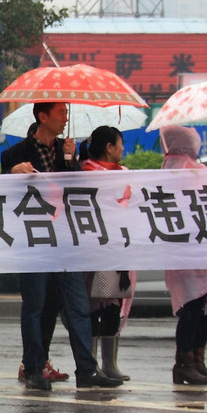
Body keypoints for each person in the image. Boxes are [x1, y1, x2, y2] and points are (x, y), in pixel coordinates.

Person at [1, 102, 104, 391]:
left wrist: (71, 162)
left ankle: (87, 370)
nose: (65, 119)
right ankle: (33, 367)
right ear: (42, 117)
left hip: (66, 241)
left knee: (78, 306)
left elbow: (78, 193)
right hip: (33, 241)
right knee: (34, 305)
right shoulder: (15, 155)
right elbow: (2, 198)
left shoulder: (68, 152)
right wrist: (11, 173)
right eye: (60, 112)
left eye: (65, 113)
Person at [157, 126, 207, 386]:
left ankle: (197, 357)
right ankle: (183, 362)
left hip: (206, 249)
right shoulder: (174, 171)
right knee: (192, 306)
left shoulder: (195, 169)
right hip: (187, 251)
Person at [77, 126, 132, 385]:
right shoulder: (87, 173)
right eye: (120, 144)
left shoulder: (123, 174)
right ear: (110, 147)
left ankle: (110, 364)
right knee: (94, 308)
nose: (123, 149)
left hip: (118, 248)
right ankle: (92, 362)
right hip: (96, 250)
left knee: (113, 307)